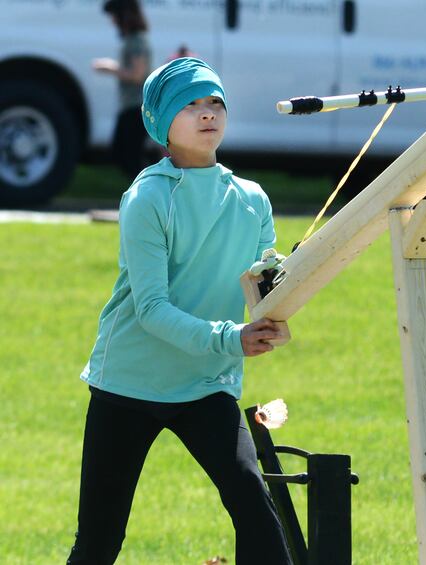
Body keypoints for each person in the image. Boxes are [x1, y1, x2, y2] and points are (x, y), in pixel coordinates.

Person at [66, 58, 292, 565]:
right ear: (160, 122)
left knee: (253, 505)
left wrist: (285, 294)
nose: (207, 113)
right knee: (98, 542)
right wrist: (232, 339)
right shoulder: (147, 196)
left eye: (215, 102)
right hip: (127, 384)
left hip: (206, 383)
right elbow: (150, 309)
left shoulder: (252, 199)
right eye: (190, 104)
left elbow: (265, 285)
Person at [93, 0, 152, 180]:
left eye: (113, 16)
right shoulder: (133, 40)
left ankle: (154, 190)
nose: (112, 21)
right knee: (123, 155)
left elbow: (137, 74)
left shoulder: (136, 40)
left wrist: (109, 68)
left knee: (129, 158)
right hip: (129, 105)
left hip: (136, 106)